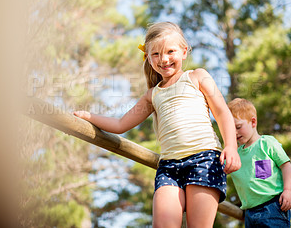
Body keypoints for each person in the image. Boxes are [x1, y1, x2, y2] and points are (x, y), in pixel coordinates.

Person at [73, 21, 240, 227]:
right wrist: (89, 116)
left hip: (204, 159)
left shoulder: (197, 77)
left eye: (171, 51)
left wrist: (231, 146)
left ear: (184, 51)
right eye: (156, 54)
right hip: (169, 167)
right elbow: (120, 124)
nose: (164, 59)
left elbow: (222, 112)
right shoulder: (152, 95)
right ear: (148, 58)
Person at [227, 98, 291, 228]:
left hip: (273, 207)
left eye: (238, 127)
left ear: (253, 122)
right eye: (231, 129)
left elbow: (286, 166)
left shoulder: (267, 143)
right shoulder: (235, 154)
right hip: (249, 213)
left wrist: (287, 190)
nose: (235, 132)